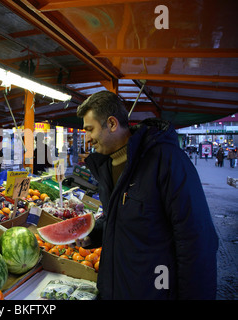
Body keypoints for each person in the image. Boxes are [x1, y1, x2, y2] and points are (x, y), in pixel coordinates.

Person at [76, 90, 218, 300]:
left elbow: (196, 240)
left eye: (90, 129)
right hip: (116, 289)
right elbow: (121, 219)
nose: (87, 138)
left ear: (112, 124)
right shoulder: (106, 165)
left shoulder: (167, 160)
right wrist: (91, 234)